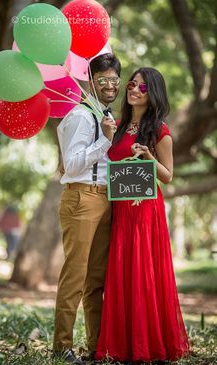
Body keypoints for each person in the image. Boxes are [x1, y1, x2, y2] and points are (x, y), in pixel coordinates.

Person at [95, 67, 189, 362]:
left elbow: (169, 176)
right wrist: (106, 136)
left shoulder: (160, 130)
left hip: (146, 211)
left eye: (143, 87)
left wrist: (149, 156)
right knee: (122, 274)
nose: (134, 89)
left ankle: (148, 344)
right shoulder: (118, 125)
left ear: (154, 94)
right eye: (132, 84)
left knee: (144, 274)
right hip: (120, 211)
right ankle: (121, 345)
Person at [53, 53, 121, 364]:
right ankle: (61, 347)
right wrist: (105, 141)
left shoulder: (105, 116)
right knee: (75, 276)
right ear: (90, 81)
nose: (110, 85)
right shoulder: (81, 116)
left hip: (105, 200)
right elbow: (73, 164)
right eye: (103, 80)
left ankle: (95, 348)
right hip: (81, 198)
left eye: (114, 80)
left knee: (96, 280)